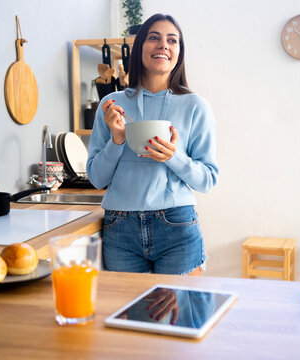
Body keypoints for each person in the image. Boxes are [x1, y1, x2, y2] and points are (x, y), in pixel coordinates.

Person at [86, 13, 218, 275]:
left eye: (172, 40)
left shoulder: (196, 106)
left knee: (180, 313)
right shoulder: (111, 105)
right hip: (120, 229)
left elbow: (208, 179)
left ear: (179, 52)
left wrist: (173, 157)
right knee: (127, 313)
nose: (163, 45)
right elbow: (96, 178)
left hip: (177, 226)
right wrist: (117, 141)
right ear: (140, 48)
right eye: (153, 38)